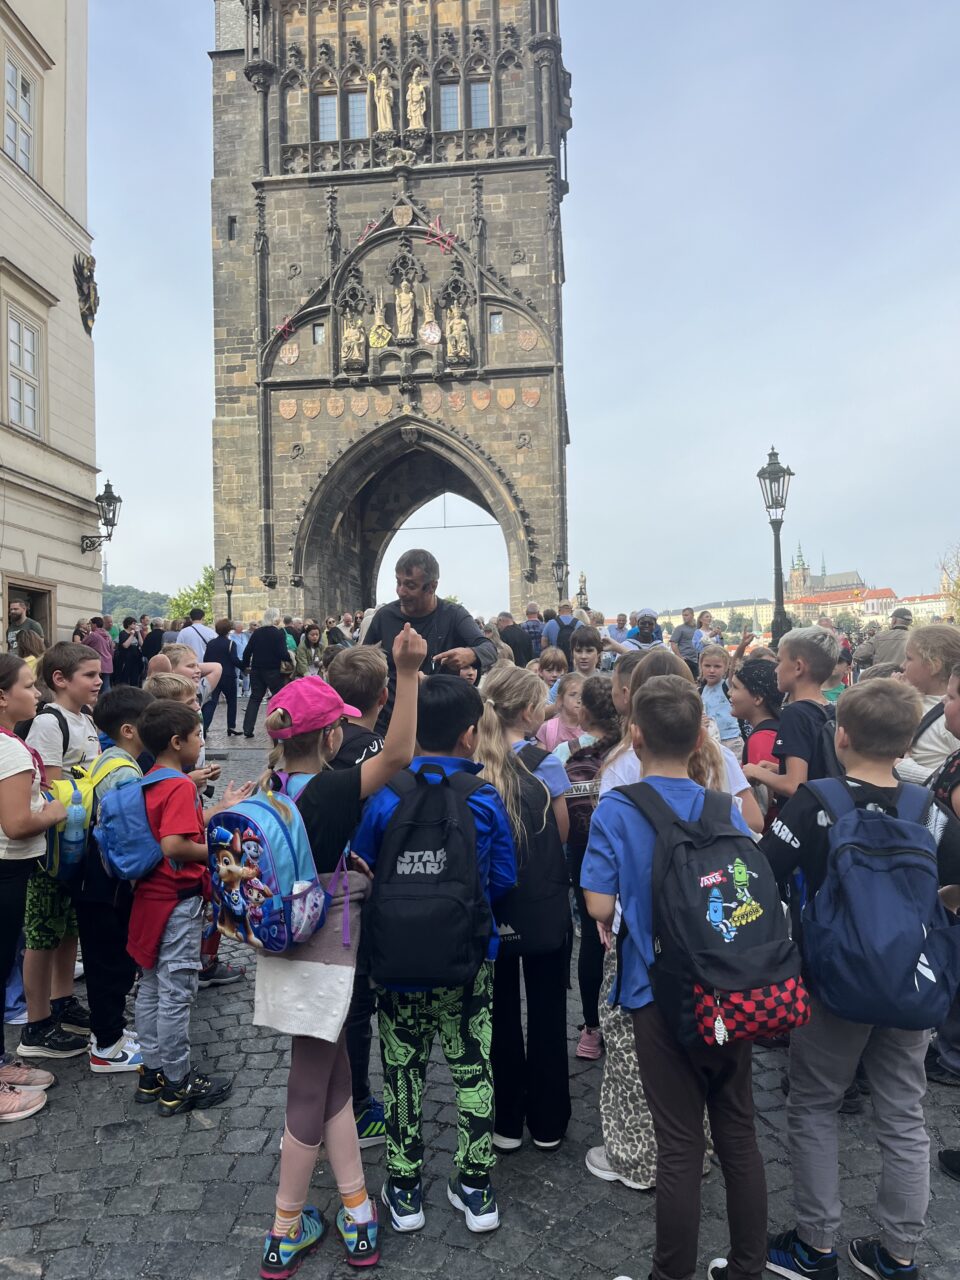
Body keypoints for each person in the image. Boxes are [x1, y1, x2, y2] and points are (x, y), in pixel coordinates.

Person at [761, 679, 960, 1280]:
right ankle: (899, 1253)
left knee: (815, 1104)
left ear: (840, 735)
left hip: (832, 980)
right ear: (907, 744)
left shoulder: (814, 802)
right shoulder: (930, 810)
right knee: (904, 1114)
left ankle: (815, 1244)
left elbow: (766, 872)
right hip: (909, 982)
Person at [254, 625, 426, 1274]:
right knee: (310, 1088)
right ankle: (284, 1227)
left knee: (334, 1084)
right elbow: (399, 752)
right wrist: (406, 671)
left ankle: (356, 1207)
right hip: (325, 955)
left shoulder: (271, 790)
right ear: (332, 738)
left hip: (283, 950)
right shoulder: (331, 789)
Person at [582, 674, 767, 1280]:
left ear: (635, 735)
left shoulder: (618, 808)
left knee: (680, 1141)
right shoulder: (721, 806)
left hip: (655, 988)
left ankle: (671, 1274)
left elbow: (599, 904)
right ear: (698, 740)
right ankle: (747, 1265)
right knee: (738, 1129)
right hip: (728, 984)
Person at [352, 675, 516, 1236]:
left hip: (397, 959)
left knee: (402, 1070)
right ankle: (475, 1185)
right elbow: (502, 878)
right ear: (470, 735)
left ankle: (403, 1189)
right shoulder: (483, 797)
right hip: (468, 958)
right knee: (472, 1068)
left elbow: (363, 867)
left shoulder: (386, 794)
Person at [474, 664, 571, 1153]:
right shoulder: (545, 763)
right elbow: (560, 833)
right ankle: (549, 1120)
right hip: (543, 903)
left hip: (492, 906)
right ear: (531, 711)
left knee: (499, 1014)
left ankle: (506, 1119)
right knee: (549, 1011)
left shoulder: (475, 762)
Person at [129, 700, 241, 1115]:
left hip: (150, 897)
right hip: (176, 901)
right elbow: (174, 845)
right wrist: (220, 854)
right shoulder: (179, 785)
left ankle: (152, 1072)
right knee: (176, 992)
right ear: (177, 742)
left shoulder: (151, 779)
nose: (202, 743)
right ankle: (178, 1082)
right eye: (198, 736)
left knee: (151, 987)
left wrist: (217, 811)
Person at [19, 643, 102, 1061]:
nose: (99, 681)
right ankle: (36, 1023)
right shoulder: (49, 724)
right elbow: (51, 786)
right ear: (60, 679)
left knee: (69, 926)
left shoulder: (85, 719)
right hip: (53, 848)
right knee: (42, 932)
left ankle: (62, 998)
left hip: (78, 842)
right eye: (90, 675)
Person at [324, 644, 390, 1149]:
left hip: (319, 885)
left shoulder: (320, 742)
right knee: (358, 1002)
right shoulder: (376, 751)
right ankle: (358, 1105)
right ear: (383, 696)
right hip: (361, 886)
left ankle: (326, 1097)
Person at [0, 654, 65, 1116]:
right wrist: (55, 811)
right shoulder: (10, 750)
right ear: (2, 697)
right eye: (27, 685)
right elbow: (17, 823)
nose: (37, 693)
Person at [80, 687, 155, 1073]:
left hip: (94, 877)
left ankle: (111, 1033)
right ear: (129, 729)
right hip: (107, 883)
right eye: (150, 721)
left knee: (106, 959)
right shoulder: (125, 771)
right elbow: (130, 836)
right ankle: (106, 1047)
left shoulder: (110, 759)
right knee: (110, 964)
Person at [362, 550, 497, 731]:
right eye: (398, 582)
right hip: (390, 721)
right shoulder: (384, 617)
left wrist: (470, 654)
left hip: (439, 722)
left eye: (410, 585)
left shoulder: (454, 615)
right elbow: (363, 661)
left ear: (432, 587)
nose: (401, 591)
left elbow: (490, 649)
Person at [564, 675, 621, 1062]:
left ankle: (591, 1028)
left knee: (589, 940)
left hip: (584, 854)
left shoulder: (565, 752)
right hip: (622, 851)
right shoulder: (629, 751)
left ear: (584, 711)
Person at [743, 626, 841, 808]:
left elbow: (795, 785)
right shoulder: (831, 710)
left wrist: (755, 772)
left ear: (798, 667)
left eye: (779, 661)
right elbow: (817, 770)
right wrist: (777, 769)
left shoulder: (795, 713)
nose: (775, 670)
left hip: (804, 817)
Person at [897, 624, 960, 784]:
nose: (902, 665)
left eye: (909, 658)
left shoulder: (950, 717)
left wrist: (903, 767)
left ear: (933, 665)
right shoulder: (913, 701)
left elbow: (955, 779)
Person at [728, 658, 783, 828]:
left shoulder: (761, 739)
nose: (729, 693)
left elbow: (762, 804)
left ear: (757, 698)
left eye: (735, 687)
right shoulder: (775, 730)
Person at [241, 608, 291, 738]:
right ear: (276, 618)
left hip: (256, 670)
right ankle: (279, 725)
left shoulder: (257, 632)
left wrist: (245, 666)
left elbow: (247, 652)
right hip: (273, 670)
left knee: (255, 698)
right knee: (279, 698)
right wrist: (290, 656)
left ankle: (247, 728)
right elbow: (282, 654)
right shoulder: (278, 633)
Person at [699, 645, 743, 757]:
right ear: (701, 666)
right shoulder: (700, 691)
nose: (712, 670)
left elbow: (735, 666)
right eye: (707, 666)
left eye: (717, 666)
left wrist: (742, 646)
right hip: (711, 740)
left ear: (726, 667)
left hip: (731, 739)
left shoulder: (727, 685)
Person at [203, 620, 243, 736]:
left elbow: (206, 659)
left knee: (211, 702)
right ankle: (231, 726)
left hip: (213, 675)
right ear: (229, 630)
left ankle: (204, 727)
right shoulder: (230, 643)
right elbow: (234, 660)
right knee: (231, 702)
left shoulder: (211, 643)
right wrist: (244, 666)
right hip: (228, 676)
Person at [536, 671, 584, 753]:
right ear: (560, 699)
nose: (579, 700)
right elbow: (539, 759)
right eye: (573, 694)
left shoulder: (591, 730)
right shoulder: (547, 729)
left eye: (583, 696)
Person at [853, 607, 912, 671]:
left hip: (882, 675)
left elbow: (858, 655)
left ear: (894, 620)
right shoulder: (915, 638)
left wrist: (872, 661)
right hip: (907, 676)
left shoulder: (879, 637)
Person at [81, 617, 114, 691]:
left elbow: (83, 645)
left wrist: (87, 634)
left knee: (96, 685)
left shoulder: (93, 635)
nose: (89, 626)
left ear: (94, 625)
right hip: (108, 663)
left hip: (98, 662)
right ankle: (109, 698)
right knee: (106, 684)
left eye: (90, 624)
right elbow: (112, 650)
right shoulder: (107, 635)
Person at [113, 616, 144, 687]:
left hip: (136, 660)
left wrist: (138, 633)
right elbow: (125, 645)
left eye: (135, 623)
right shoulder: (123, 633)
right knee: (124, 679)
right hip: (126, 660)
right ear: (128, 624)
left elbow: (142, 644)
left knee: (135, 680)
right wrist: (132, 635)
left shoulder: (136, 633)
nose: (135, 625)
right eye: (133, 623)